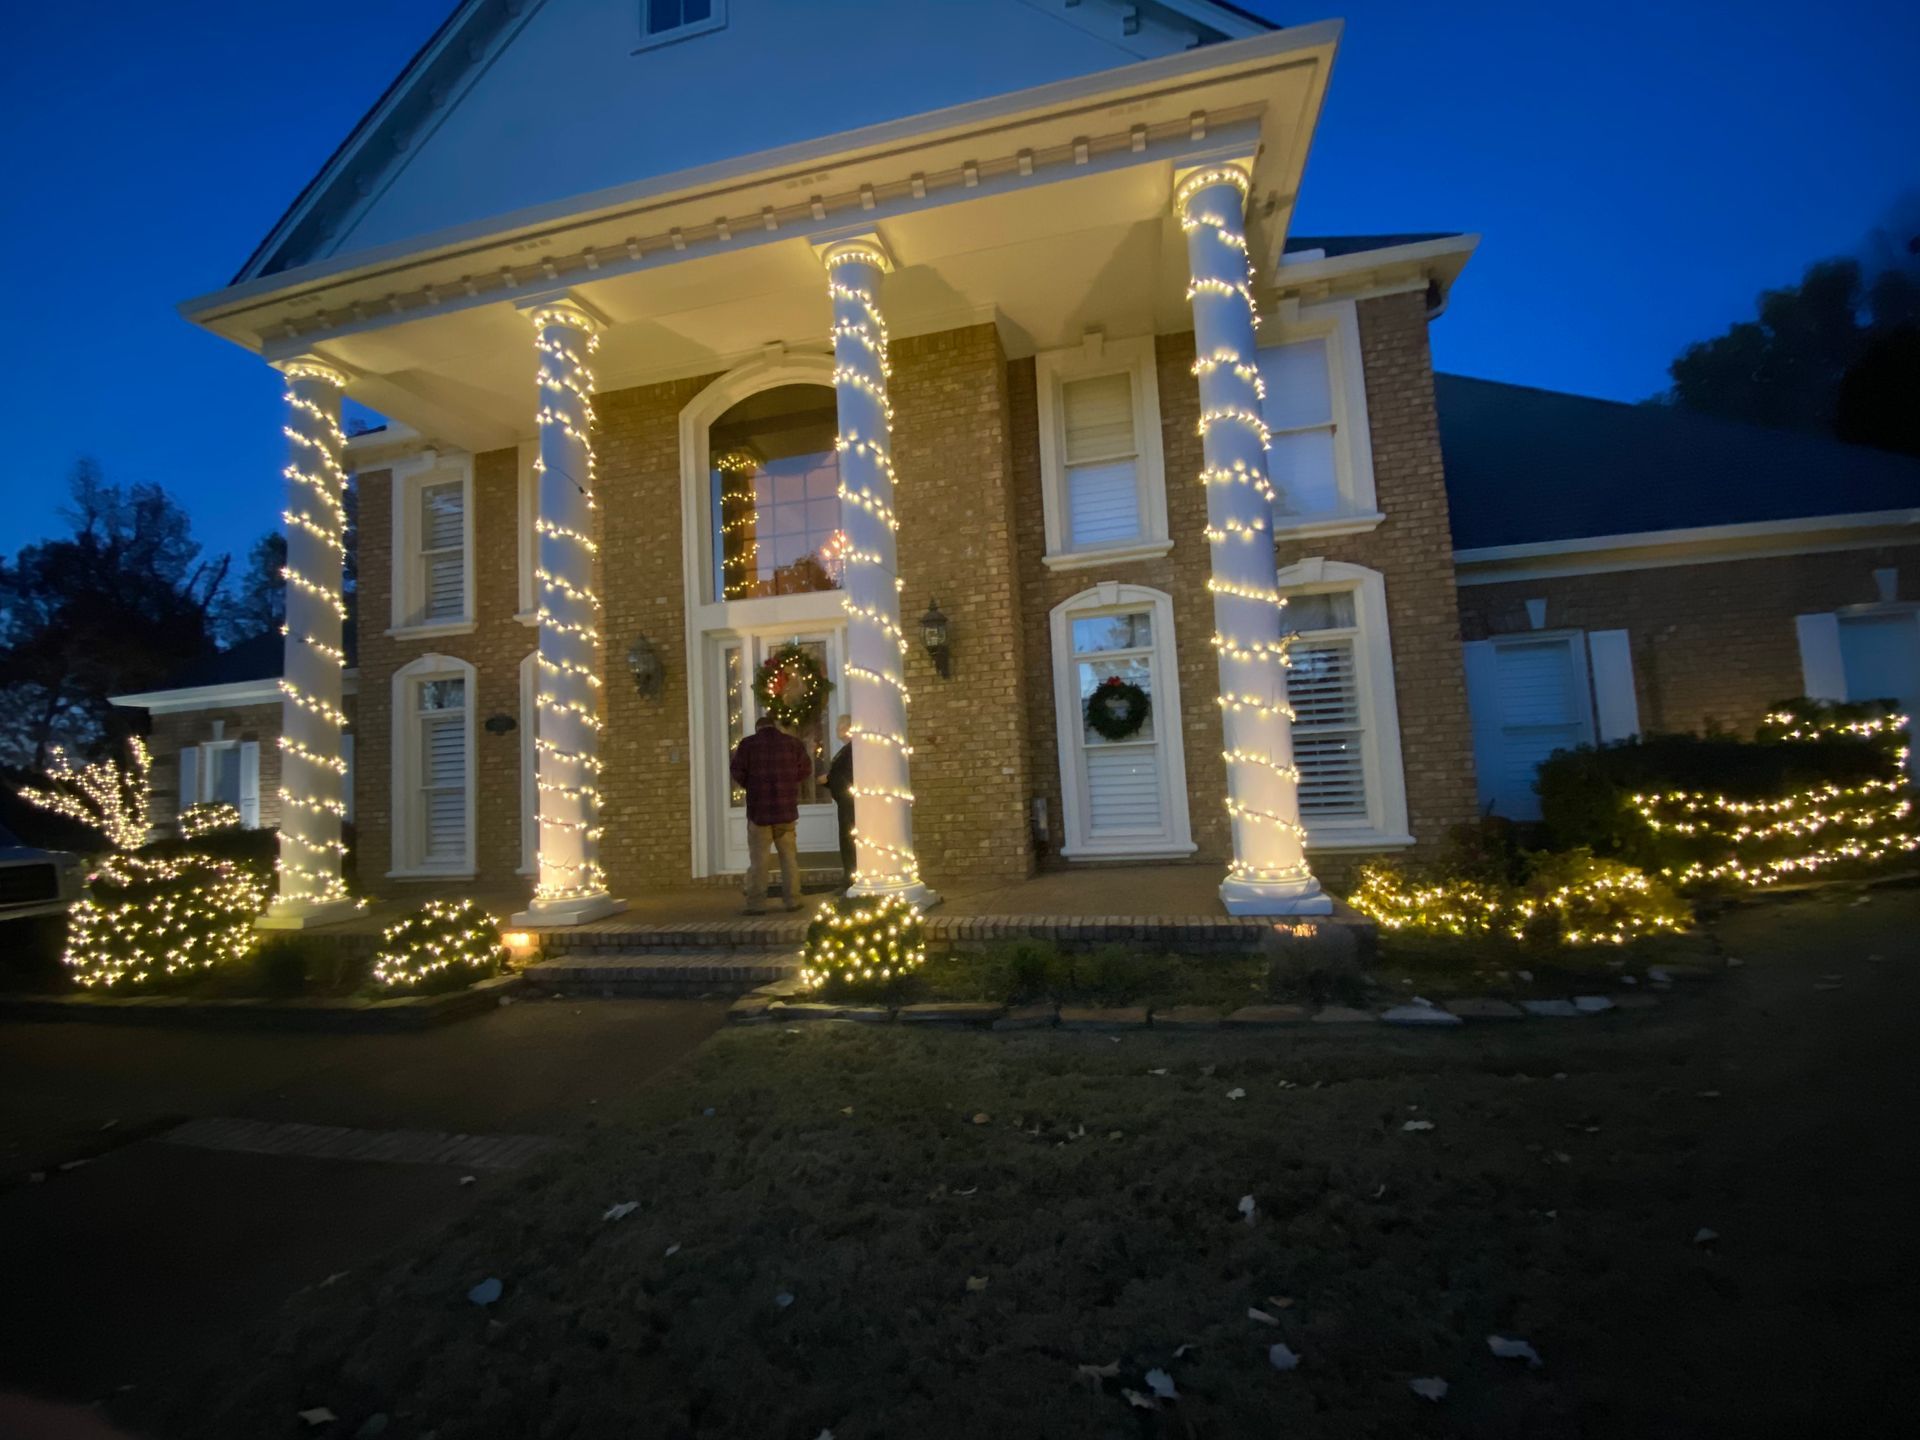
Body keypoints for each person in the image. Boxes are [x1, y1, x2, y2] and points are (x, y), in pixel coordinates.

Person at [729, 713, 812, 914]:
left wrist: (751, 784)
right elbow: (806, 769)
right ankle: (793, 900)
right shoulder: (792, 743)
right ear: (774, 726)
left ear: (758, 728)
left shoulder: (748, 745)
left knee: (759, 861)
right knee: (789, 858)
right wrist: (790, 781)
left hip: (759, 812)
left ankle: (756, 904)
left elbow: (737, 771)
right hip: (786, 812)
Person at [822, 714, 856, 893]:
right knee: (847, 841)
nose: (837, 731)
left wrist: (828, 779)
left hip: (850, 805)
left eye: (839, 727)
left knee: (849, 842)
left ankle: (851, 879)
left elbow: (846, 776)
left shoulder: (853, 750)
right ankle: (849, 877)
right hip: (846, 804)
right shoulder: (848, 750)